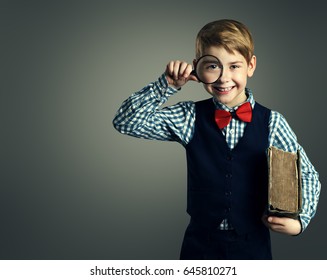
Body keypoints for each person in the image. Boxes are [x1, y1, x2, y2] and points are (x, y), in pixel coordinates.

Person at [112, 19, 321, 259]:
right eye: (212, 66)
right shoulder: (189, 116)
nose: (223, 78)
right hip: (199, 246)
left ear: (250, 66)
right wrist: (166, 85)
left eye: (234, 66)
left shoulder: (272, 122)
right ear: (197, 69)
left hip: (252, 246)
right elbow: (126, 122)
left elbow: (305, 174)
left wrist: (300, 221)